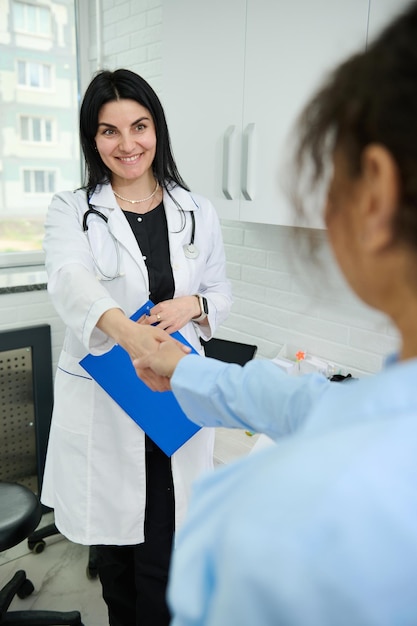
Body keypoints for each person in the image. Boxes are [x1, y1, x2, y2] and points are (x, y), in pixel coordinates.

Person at [134, 3, 417, 624]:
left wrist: (199, 310)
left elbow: (220, 292)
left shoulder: (265, 534)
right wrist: (185, 370)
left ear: (376, 191)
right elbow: (321, 407)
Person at [40, 68, 232, 626]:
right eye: (109, 131)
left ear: (158, 129)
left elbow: (220, 290)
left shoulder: (197, 209)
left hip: (174, 404)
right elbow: (69, 279)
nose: (127, 145)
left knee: (169, 559)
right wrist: (129, 333)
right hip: (110, 403)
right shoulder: (71, 208)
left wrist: (192, 306)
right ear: (92, 139)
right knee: (119, 567)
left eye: (139, 126)